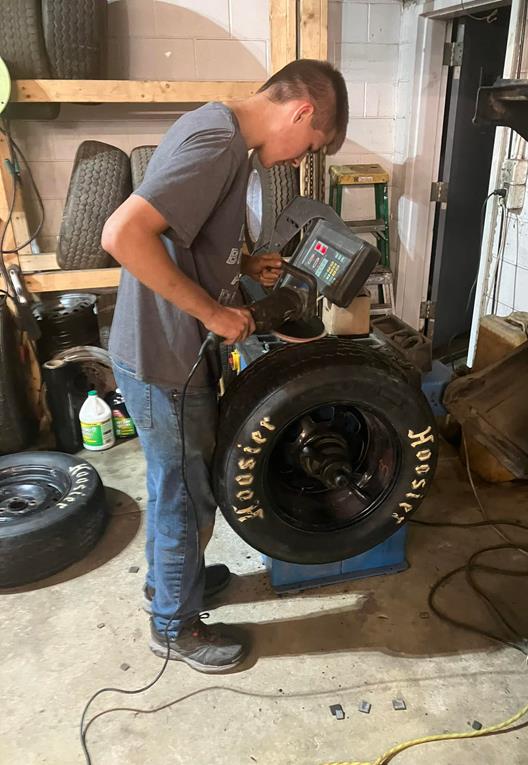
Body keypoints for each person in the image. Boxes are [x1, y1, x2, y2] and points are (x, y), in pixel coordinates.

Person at [102, 59, 349, 673]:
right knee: (185, 495)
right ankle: (174, 627)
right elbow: (123, 234)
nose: (297, 159)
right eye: (309, 145)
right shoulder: (217, 143)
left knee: (180, 485)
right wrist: (213, 313)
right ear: (302, 111)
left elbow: (179, 237)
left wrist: (240, 264)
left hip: (163, 349)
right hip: (164, 355)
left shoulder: (222, 135)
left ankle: (170, 582)